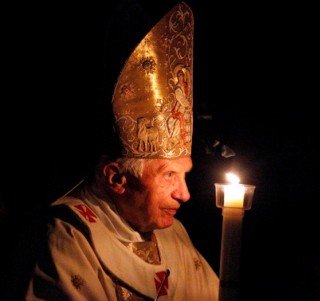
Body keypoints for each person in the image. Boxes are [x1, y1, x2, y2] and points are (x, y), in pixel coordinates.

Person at [26, 2, 219, 300]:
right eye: (168, 175)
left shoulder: (173, 232)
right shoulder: (69, 236)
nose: (185, 194)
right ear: (116, 179)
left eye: (184, 175)